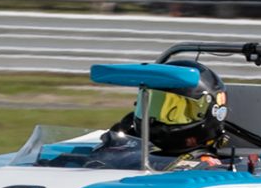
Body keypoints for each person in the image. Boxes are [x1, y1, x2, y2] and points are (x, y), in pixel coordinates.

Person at [98, 59, 230, 169]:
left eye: (174, 111)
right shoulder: (129, 147)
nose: (155, 121)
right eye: (152, 105)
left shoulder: (207, 166)